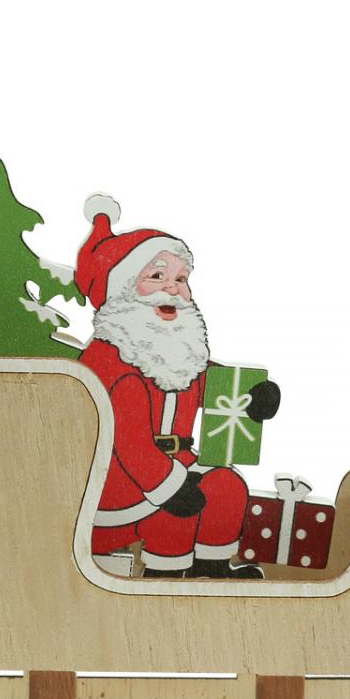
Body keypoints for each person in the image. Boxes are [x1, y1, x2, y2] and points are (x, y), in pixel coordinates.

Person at [75, 195, 280, 578]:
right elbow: (128, 441)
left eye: (181, 279)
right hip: (119, 485)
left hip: (177, 465)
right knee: (175, 510)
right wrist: (166, 485)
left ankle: (212, 570)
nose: (172, 289)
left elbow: (203, 381)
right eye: (157, 276)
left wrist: (251, 396)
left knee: (226, 486)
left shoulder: (175, 348)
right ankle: (165, 579)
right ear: (123, 288)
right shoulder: (109, 359)